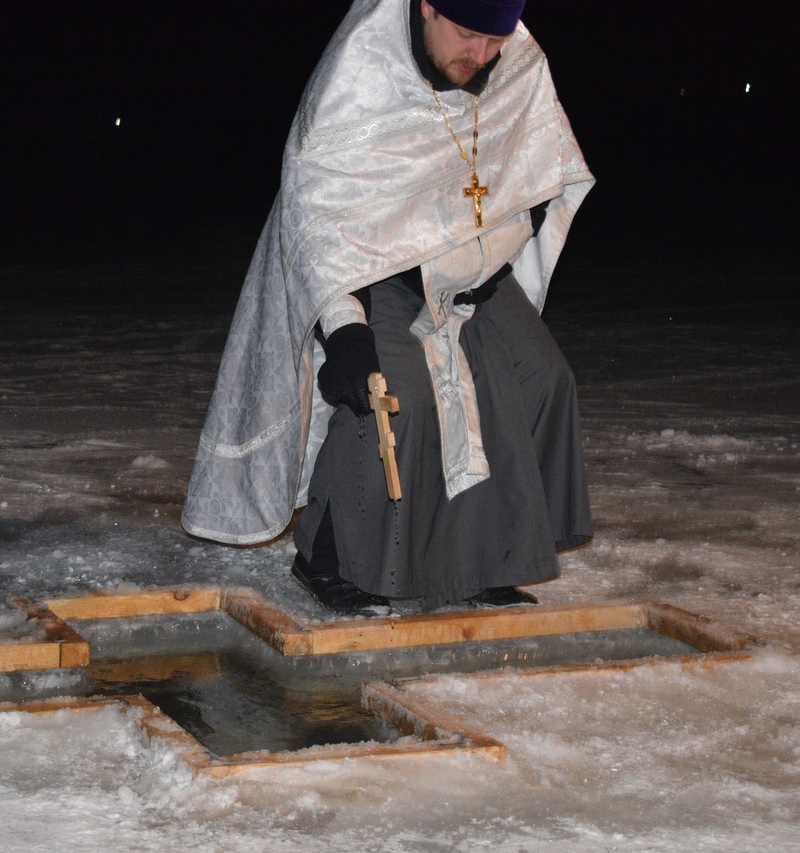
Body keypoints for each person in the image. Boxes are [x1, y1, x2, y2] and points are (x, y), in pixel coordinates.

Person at [182, 0, 593, 614]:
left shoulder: (519, 62)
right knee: (391, 389)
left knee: (541, 378)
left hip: (473, 268)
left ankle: (488, 555)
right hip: (377, 271)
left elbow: (546, 164)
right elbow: (321, 220)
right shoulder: (360, 73)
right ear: (427, 6)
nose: (480, 57)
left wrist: (507, 227)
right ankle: (325, 553)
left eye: (494, 41)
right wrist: (345, 328)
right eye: (466, 35)